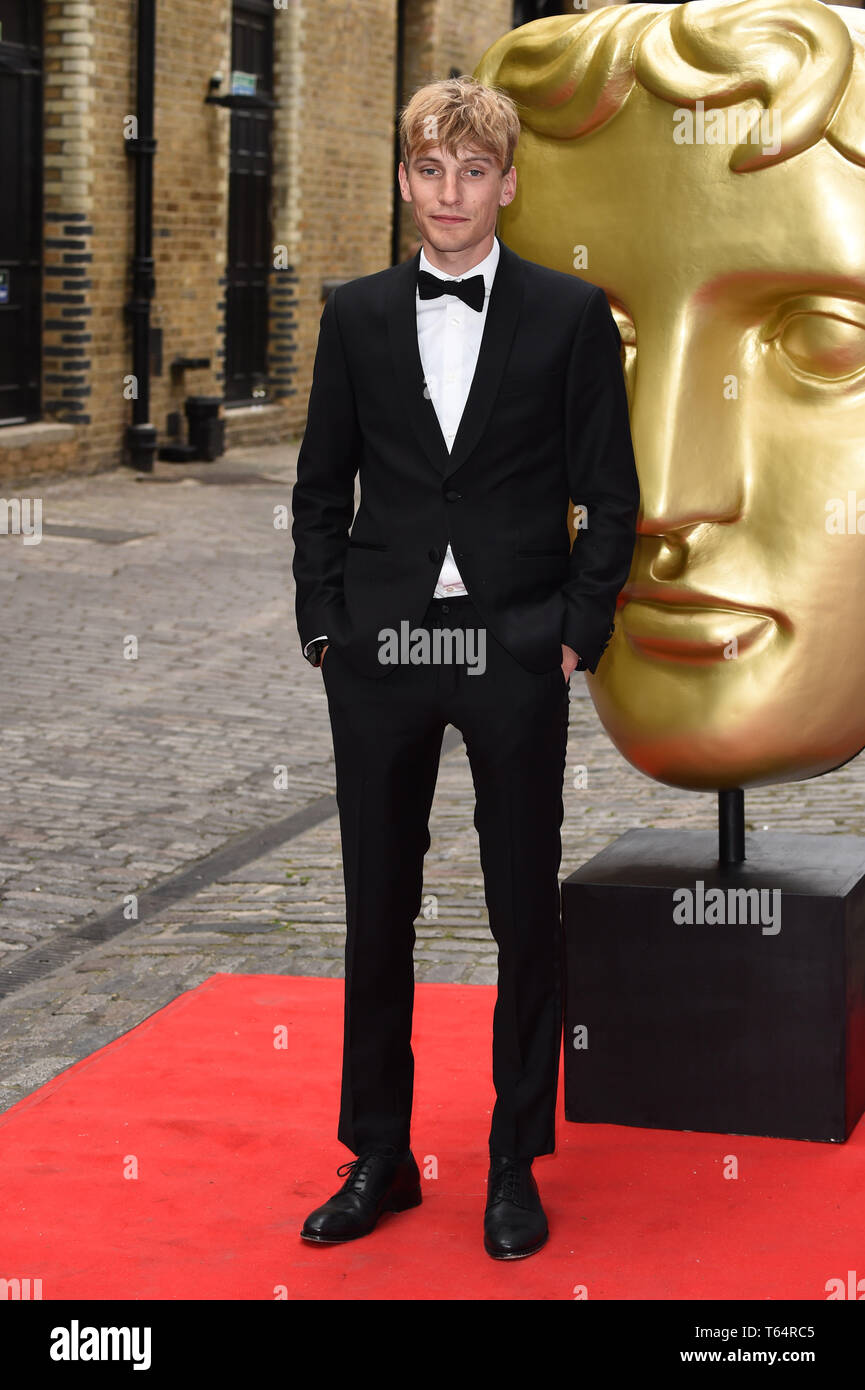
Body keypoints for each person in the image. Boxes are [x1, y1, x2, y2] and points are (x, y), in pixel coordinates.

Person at [291, 74, 639, 1260]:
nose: (451, 194)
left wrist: (573, 630)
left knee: (517, 911)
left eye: (473, 172)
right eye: (430, 172)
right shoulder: (356, 314)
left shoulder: (568, 314)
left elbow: (612, 493)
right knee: (375, 906)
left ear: (505, 183)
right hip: (381, 651)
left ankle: (509, 1162)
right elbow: (316, 489)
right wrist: (326, 627)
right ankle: (378, 1156)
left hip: (509, 645)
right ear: (404, 181)